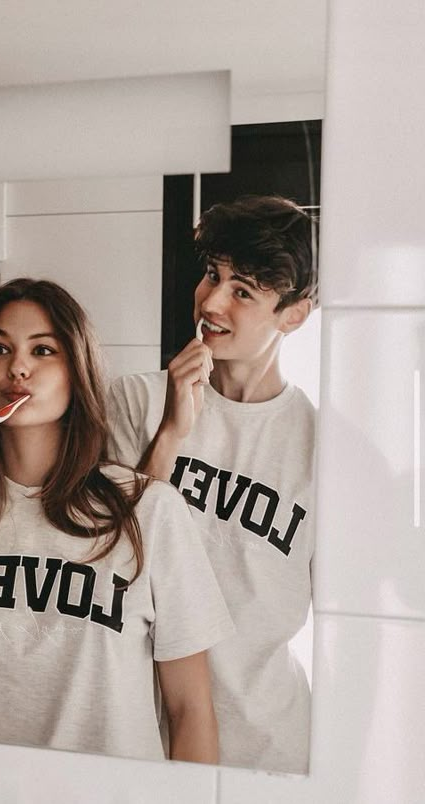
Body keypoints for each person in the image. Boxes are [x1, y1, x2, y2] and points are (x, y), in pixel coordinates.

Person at [0, 278, 233, 763]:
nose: (17, 367)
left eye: (43, 350)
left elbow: (190, 710)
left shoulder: (149, 512)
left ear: (77, 371)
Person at [107, 196, 317, 774]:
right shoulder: (138, 400)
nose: (212, 300)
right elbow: (114, 564)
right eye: (212, 274)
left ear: (295, 314)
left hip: (268, 748)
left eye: (244, 289)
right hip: (141, 737)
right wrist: (173, 432)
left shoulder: (319, 447)